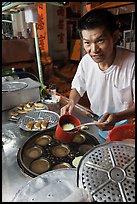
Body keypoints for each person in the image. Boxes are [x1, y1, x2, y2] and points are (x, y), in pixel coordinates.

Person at [60, 8, 135, 131]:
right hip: (96, 122)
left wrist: (117, 117)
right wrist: (71, 102)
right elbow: (77, 88)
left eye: (100, 41)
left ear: (115, 37)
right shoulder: (86, 62)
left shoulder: (132, 63)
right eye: (87, 43)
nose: (94, 50)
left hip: (124, 127)